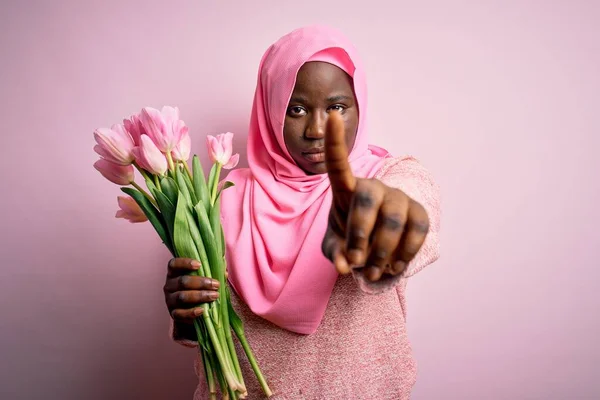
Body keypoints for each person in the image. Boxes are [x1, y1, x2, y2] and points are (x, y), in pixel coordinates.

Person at [164, 25, 441, 399]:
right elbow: (205, 335)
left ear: (360, 106)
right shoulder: (219, 197)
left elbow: (408, 217)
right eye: (296, 109)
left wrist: (379, 225)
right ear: (270, 110)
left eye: (337, 107)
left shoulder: (392, 175)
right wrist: (185, 313)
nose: (317, 129)